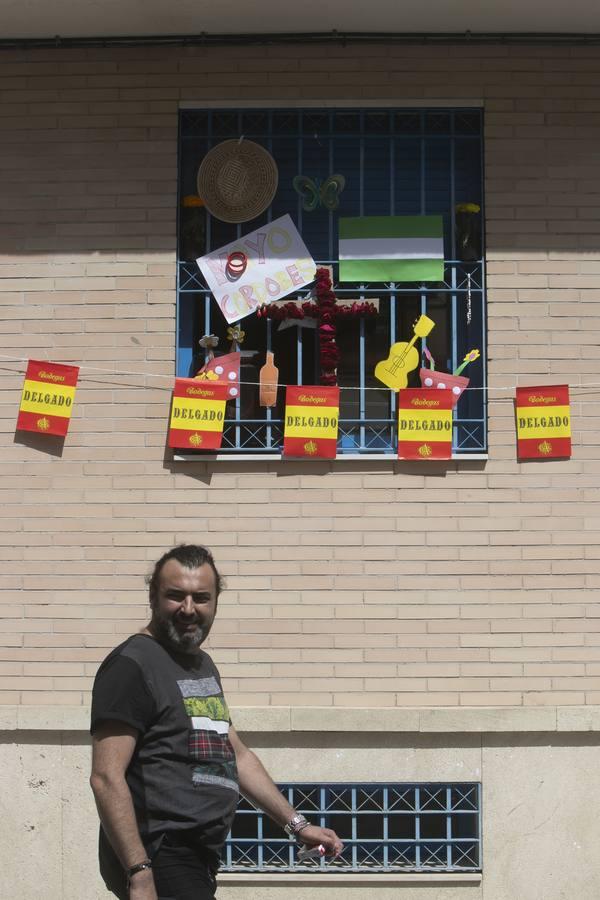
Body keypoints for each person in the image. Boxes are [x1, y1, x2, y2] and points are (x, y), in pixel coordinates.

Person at [90, 544, 343, 899]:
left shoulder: (202, 665)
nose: (188, 609)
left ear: (215, 602)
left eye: (201, 598)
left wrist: (297, 825)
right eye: (175, 596)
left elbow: (235, 755)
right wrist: (139, 871)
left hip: (197, 855)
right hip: (160, 851)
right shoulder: (131, 666)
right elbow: (105, 777)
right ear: (153, 596)